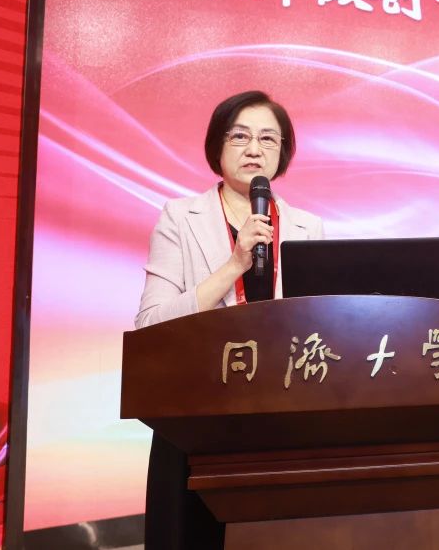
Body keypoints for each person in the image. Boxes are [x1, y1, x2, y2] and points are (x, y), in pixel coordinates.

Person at [134, 90, 324, 549]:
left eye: (268, 139)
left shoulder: (307, 227)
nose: (254, 149)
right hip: (197, 413)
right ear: (217, 147)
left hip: (279, 414)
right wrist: (234, 264)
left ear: (282, 153)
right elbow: (151, 325)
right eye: (240, 136)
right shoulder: (181, 218)